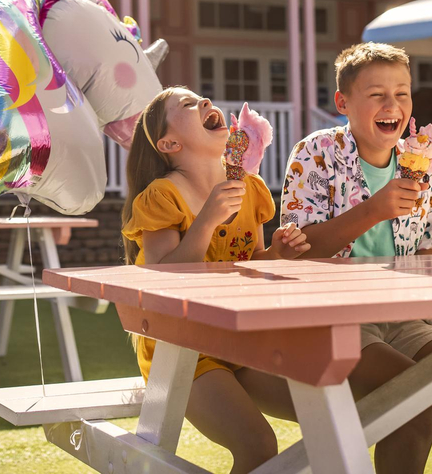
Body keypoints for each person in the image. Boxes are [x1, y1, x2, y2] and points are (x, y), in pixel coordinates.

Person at [280, 43, 432, 474]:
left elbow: (431, 249)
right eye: (377, 94)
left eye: (402, 93)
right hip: (335, 316)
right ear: (343, 103)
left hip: (405, 319)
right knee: (416, 393)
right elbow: (297, 254)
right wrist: (374, 209)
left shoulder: (422, 161)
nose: (393, 105)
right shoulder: (314, 155)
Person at [121, 87, 311, 474]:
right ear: (169, 142)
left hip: (238, 339)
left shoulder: (251, 189)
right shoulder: (162, 196)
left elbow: (252, 262)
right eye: (189, 105)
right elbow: (162, 278)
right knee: (258, 443)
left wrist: (277, 253)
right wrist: (207, 220)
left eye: (203, 99)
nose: (206, 103)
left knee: (329, 412)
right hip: (179, 348)